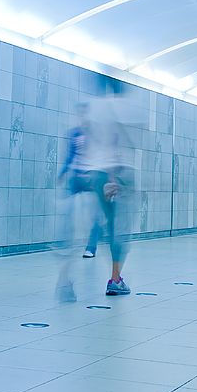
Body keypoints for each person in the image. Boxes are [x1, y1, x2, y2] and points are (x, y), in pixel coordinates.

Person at [82, 77, 138, 295]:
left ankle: (114, 276)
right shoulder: (120, 108)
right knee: (120, 228)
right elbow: (115, 141)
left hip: (96, 173)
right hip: (115, 173)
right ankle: (115, 279)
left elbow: (89, 141)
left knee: (110, 225)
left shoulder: (94, 108)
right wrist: (113, 176)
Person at [57, 103, 103, 258]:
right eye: (81, 113)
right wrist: (63, 173)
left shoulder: (97, 134)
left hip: (92, 177)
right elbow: (71, 155)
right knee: (69, 210)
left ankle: (91, 247)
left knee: (93, 214)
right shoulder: (74, 133)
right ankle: (67, 244)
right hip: (76, 177)